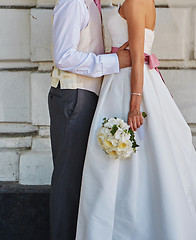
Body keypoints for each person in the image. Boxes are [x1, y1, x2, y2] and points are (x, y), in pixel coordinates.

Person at [75, 0, 196, 239]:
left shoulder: (137, 1)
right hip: (119, 83)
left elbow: (138, 57)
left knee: (147, 159)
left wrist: (134, 105)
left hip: (130, 85)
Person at [48, 0, 132, 239]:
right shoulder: (73, 3)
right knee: (68, 181)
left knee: (79, 179)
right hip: (72, 96)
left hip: (85, 95)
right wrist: (115, 62)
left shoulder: (91, 4)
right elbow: (64, 56)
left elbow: (86, 49)